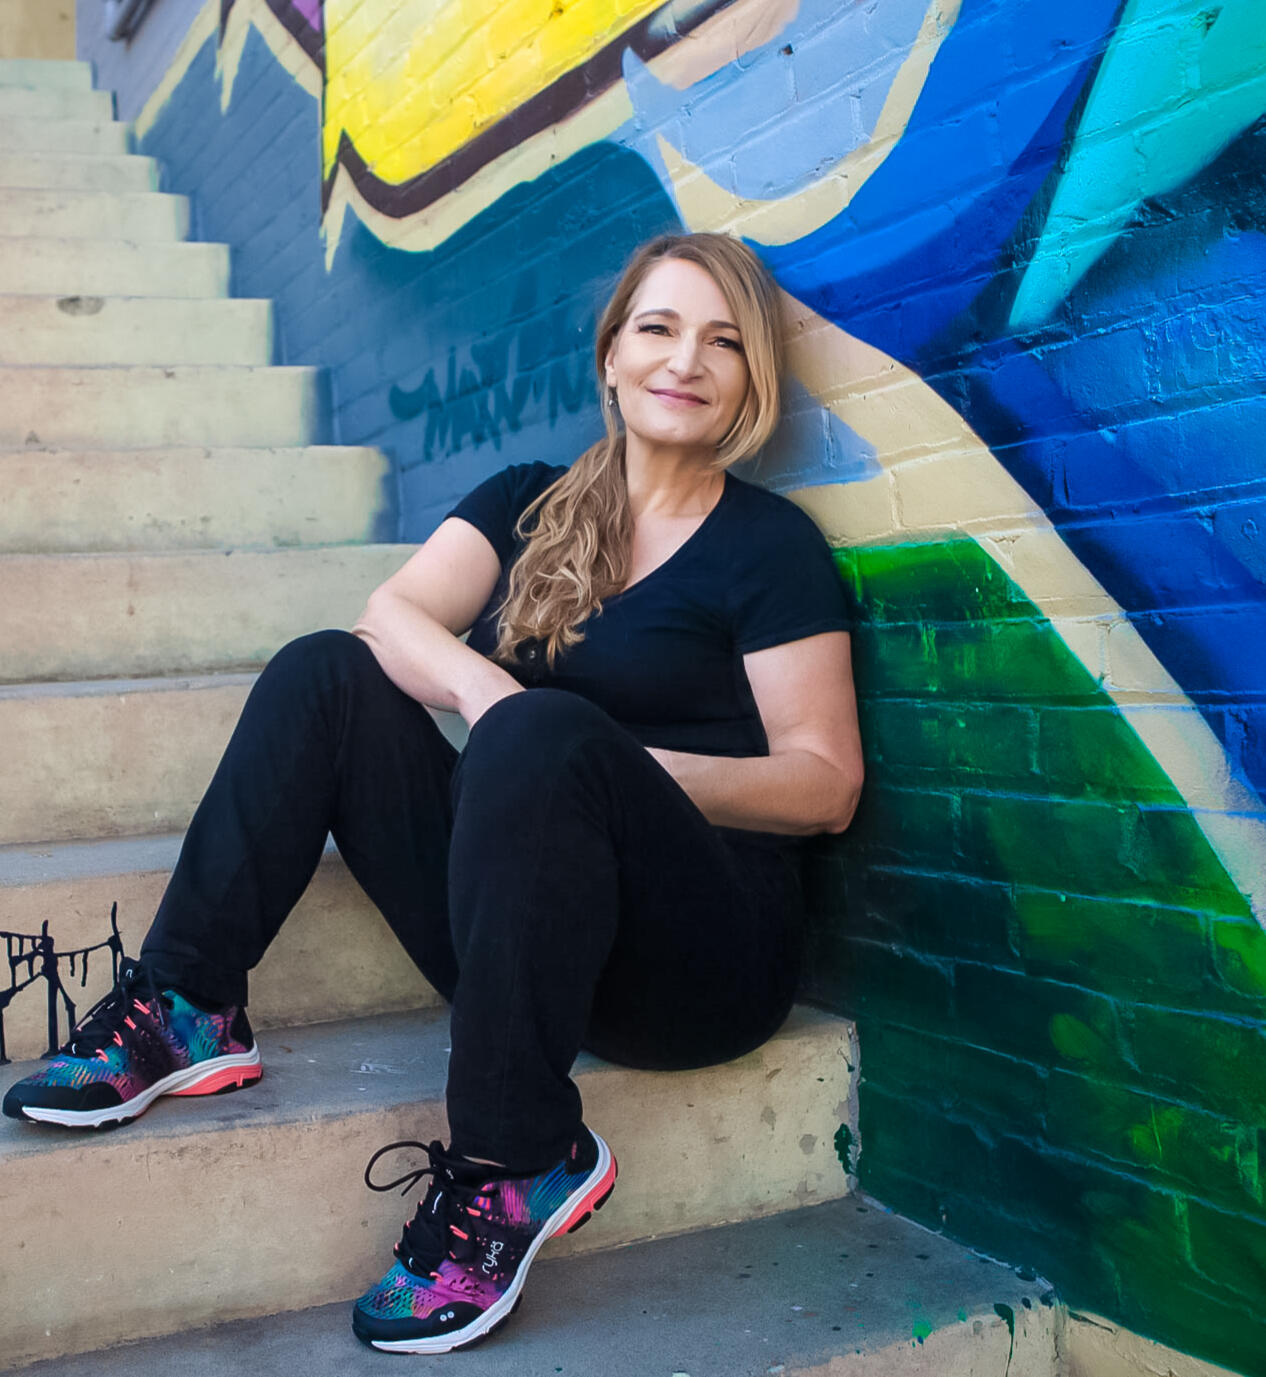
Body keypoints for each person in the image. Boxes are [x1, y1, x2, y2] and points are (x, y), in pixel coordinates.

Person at [2, 231, 863, 1353]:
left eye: (724, 342)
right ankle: (187, 1003)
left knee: (547, 735)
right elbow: (389, 617)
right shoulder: (526, 503)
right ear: (611, 354)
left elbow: (825, 786)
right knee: (328, 669)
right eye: (659, 327)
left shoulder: (768, 548)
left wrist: (610, 771)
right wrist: (488, 693)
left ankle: (518, 1160)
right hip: (529, 933)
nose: (685, 359)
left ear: (751, 382)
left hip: (694, 964)